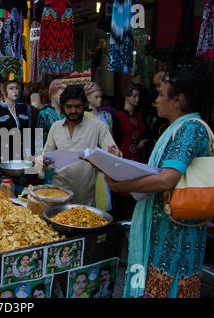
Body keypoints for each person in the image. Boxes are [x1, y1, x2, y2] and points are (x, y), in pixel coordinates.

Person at [106, 69, 212, 298]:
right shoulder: (176, 129)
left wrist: (119, 186)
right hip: (162, 227)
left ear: (178, 99)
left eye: (161, 94)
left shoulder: (191, 129)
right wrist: (118, 164)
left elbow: (166, 179)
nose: (156, 100)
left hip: (176, 231)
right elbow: (157, 173)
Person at [41, 85, 121, 207]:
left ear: (84, 105)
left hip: (85, 198)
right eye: (69, 107)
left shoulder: (97, 126)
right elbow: (46, 157)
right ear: (62, 106)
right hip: (58, 195)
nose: (73, 111)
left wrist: (114, 155)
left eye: (77, 106)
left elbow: (114, 156)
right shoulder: (56, 127)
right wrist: (44, 162)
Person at [111, 84, 148, 221]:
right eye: (134, 96)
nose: (137, 99)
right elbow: (114, 139)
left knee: (136, 190)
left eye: (138, 96)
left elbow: (146, 132)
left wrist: (143, 142)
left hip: (137, 157)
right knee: (123, 192)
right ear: (126, 97)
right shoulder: (119, 117)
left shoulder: (139, 115)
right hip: (123, 156)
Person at [84, 81, 114, 212]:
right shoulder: (84, 117)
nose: (99, 99)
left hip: (106, 157)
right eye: (96, 97)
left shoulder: (107, 116)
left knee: (105, 188)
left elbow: (110, 138)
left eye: (101, 96)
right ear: (88, 98)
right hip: (90, 158)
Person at [0, 81, 31, 170]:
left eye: (16, 88)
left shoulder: (24, 108)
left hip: (22, 156)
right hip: (4, 157)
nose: (15, 91)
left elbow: (29, 133)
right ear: (4, 92)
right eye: (11, 88)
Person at [37, 79, 67, 143]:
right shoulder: (44, 113)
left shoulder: (67, 113)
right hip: (49, 150)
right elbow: (38, 138)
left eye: (65, 96)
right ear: (52, 95)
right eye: (60, 96)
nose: (63, 99)